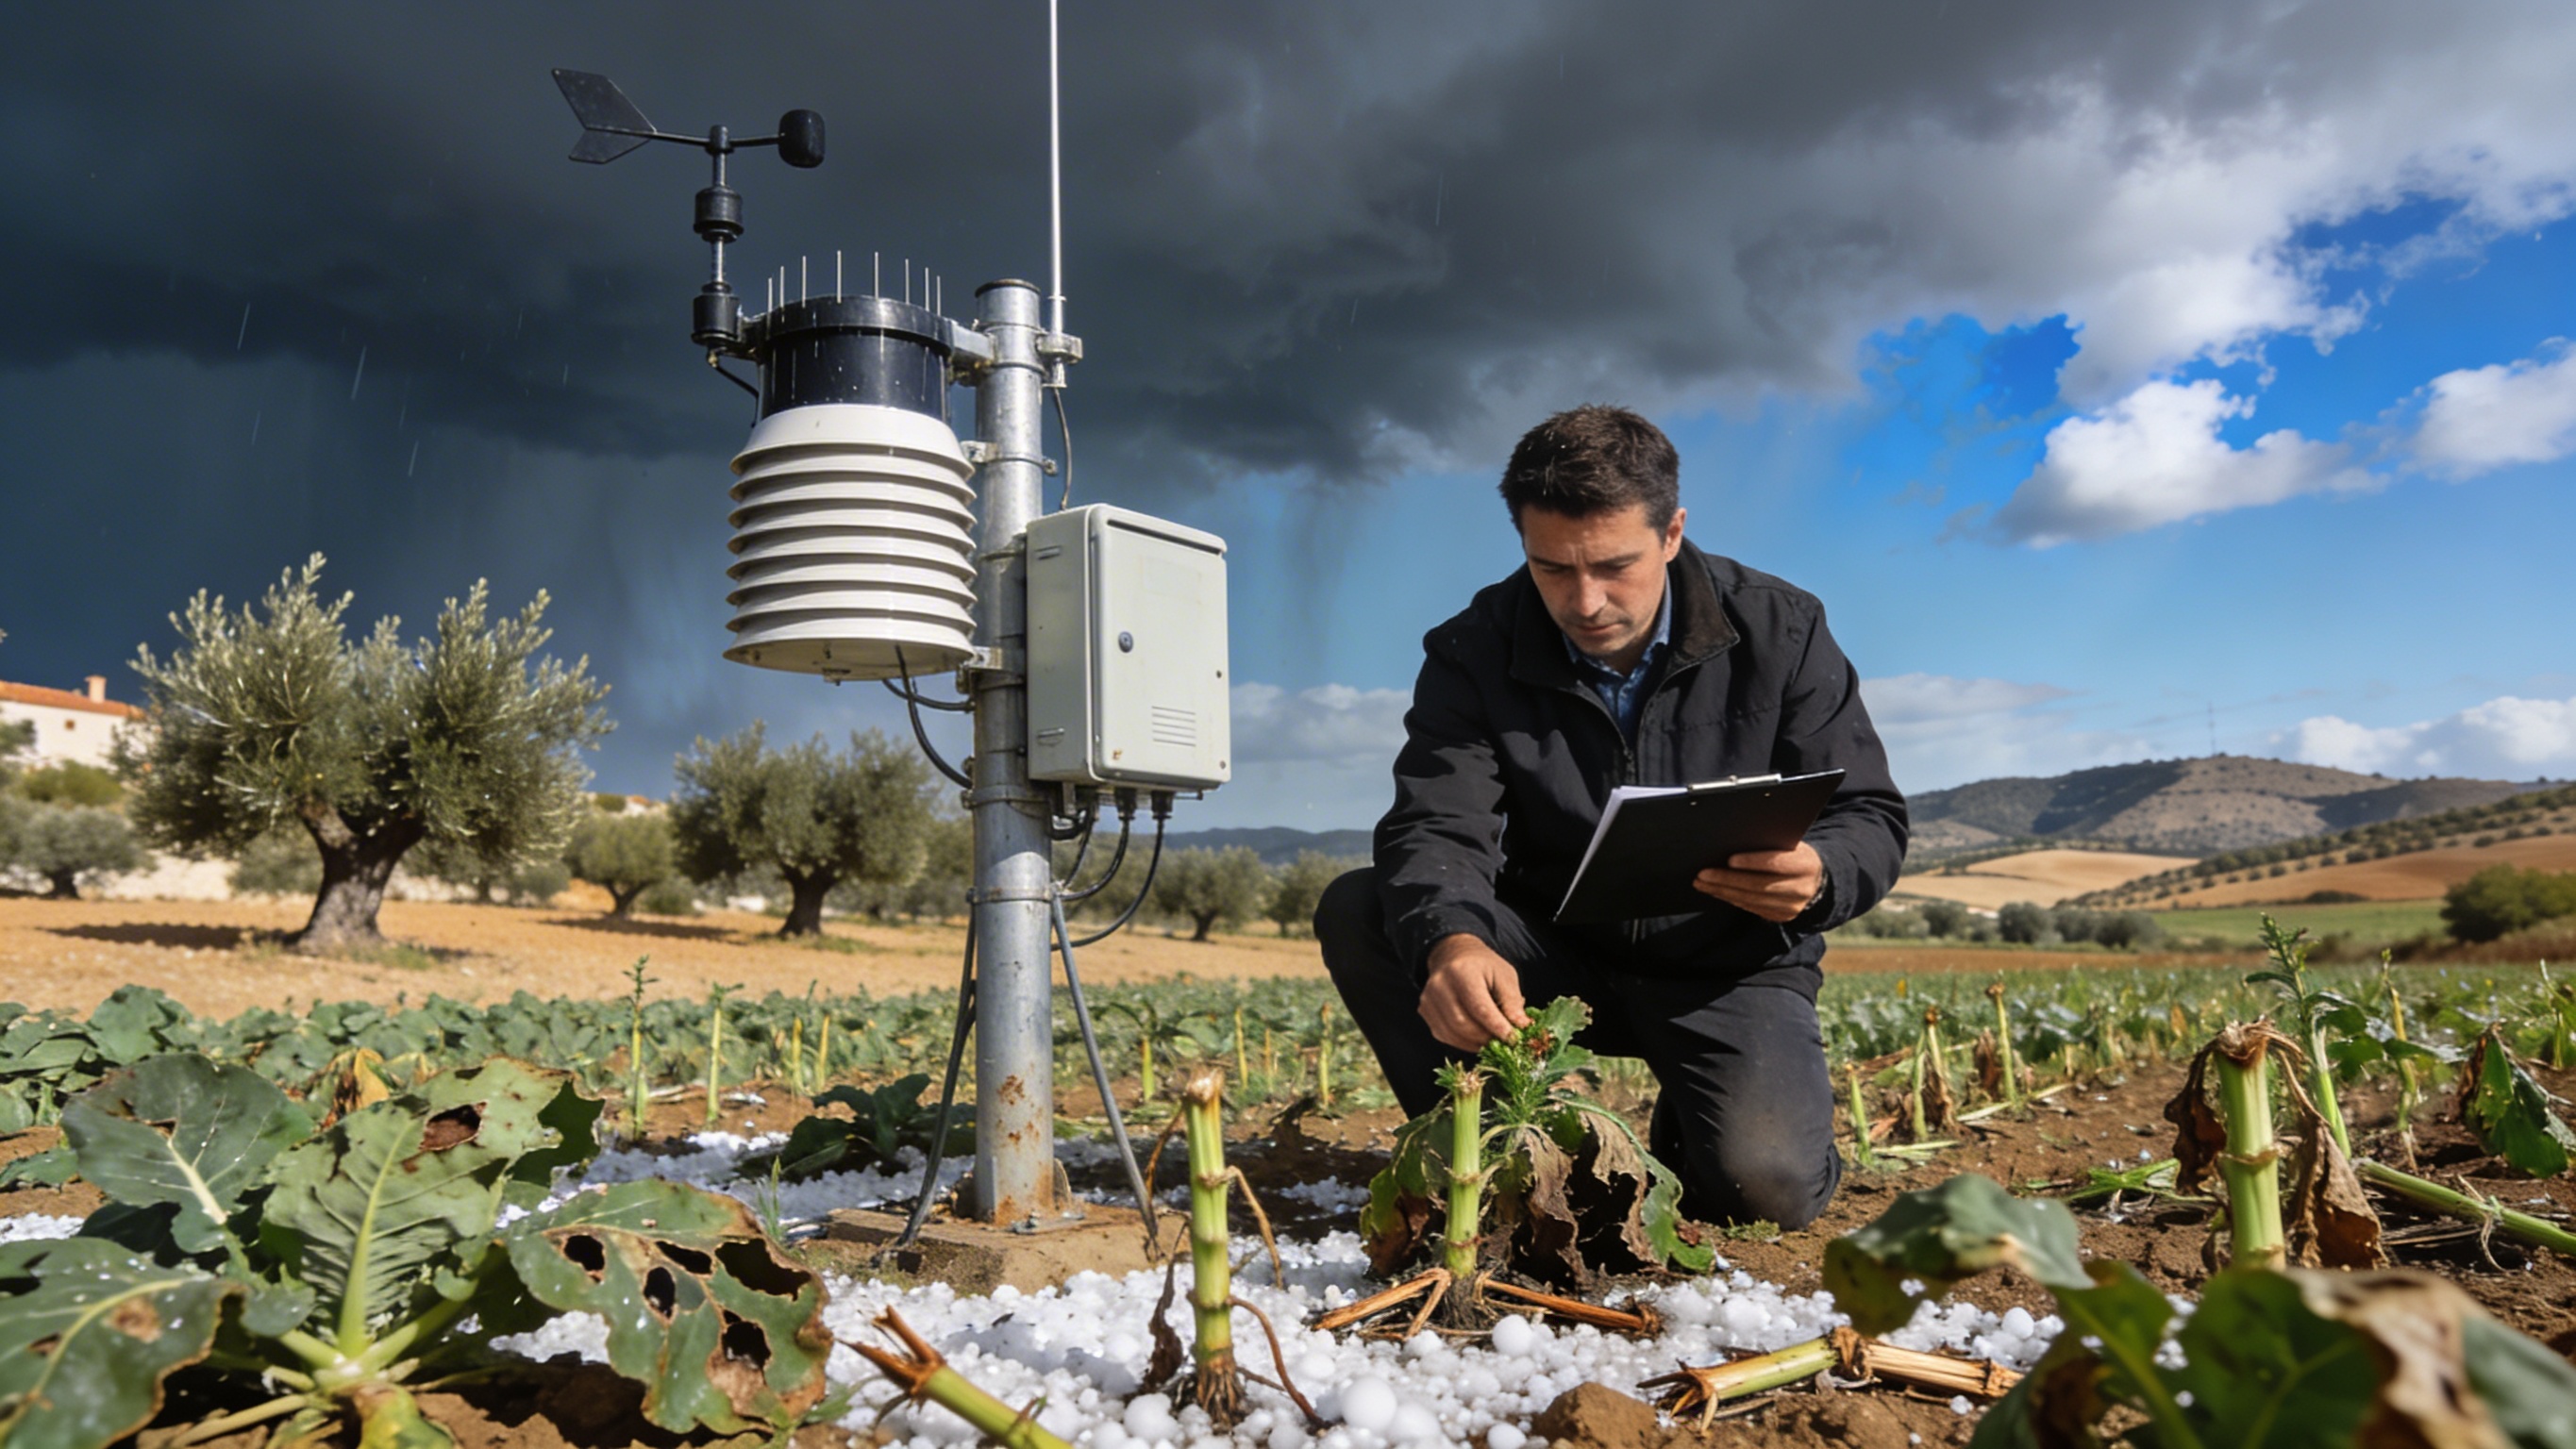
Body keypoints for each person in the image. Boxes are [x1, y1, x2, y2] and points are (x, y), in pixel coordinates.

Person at [1315, 404, 1906, 1230]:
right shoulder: (1471, 648)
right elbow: (1436, 824)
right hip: (1551, 956)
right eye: (1552, 568)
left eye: (1614, 566)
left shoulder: (1783, 627)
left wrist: (1823, 874)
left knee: (1764, 1193)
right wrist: (1453, 942)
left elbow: (1868, 813)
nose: (1586, 600)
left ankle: (1698, 1119)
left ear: (1672, 533)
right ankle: (1496, 1160)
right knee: (1364, 906)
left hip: (1727, 965)